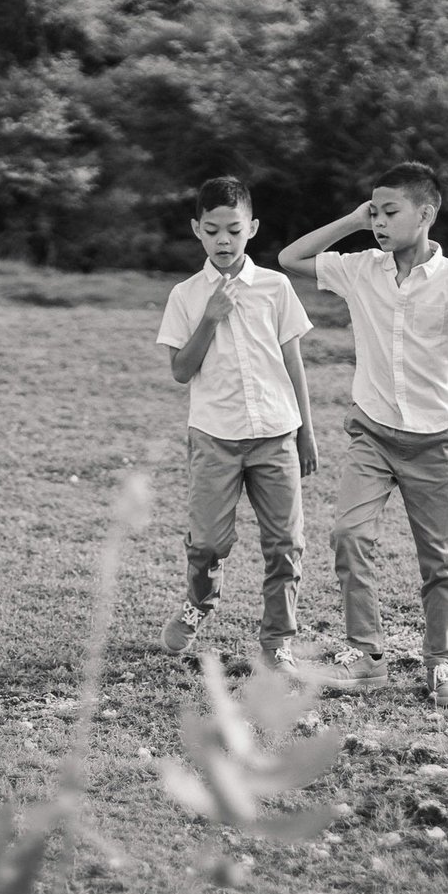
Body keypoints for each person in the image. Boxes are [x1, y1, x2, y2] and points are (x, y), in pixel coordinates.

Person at [278, 162, 448, 709]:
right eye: (373, 211)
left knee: (441, 559)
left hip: (435, 443)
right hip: (372, 435)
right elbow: (290, 258)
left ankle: (441, 664)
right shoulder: (361, 269)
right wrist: (353, 220)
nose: (378, 221)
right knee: (349, 535)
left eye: (389, 211)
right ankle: (366, 656)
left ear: (425, 215)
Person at [155, 177, 318, 677]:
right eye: (212, 230)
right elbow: (182, 371)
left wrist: (307, 432)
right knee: (206, 543)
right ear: (196, 231)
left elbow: (293, 362)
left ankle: (277, 641)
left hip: (276, 434)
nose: (223, 240)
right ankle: (197, 604)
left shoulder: (275, 286)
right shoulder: (185, 295)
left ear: (253, 228)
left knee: (285, 545)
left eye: (233, 229)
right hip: (214, 437)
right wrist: (210, 317)